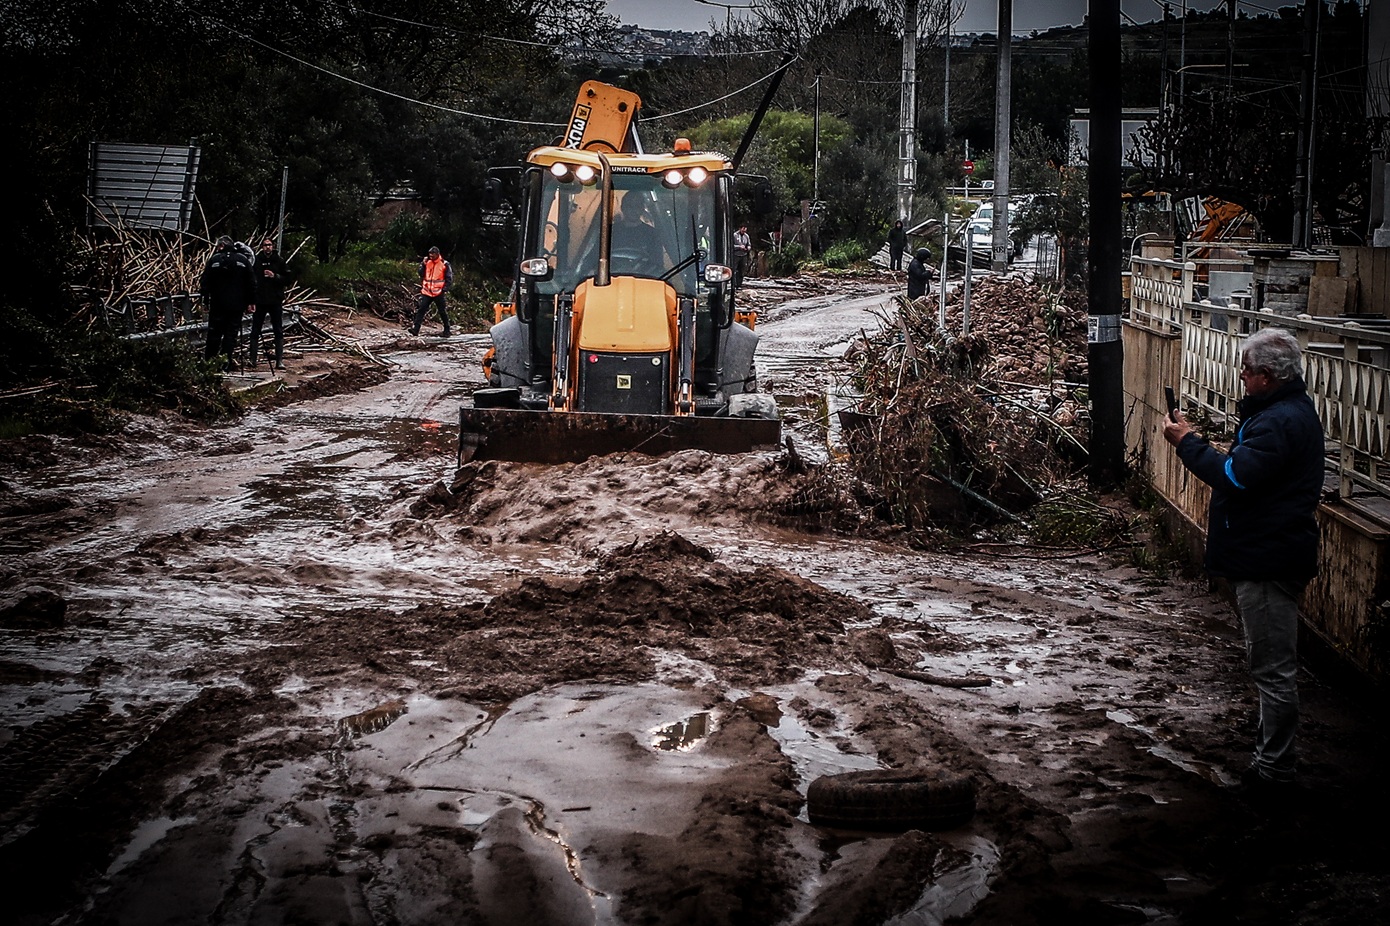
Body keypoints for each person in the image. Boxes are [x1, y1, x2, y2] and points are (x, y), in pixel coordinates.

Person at [1162, 327, 1324, 794]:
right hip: (1268, 551)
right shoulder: (1282, 413)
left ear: (1269, 377)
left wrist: (1187, 443)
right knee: (1268, 665)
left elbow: (1235, 476)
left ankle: (1274, 773)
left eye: (1248, 371)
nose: (1241, 377)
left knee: (1273, 670)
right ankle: (1271, 762)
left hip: (1268, 558)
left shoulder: (1277, 422)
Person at [200, 236, 256, 369]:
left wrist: (205, 301)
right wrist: (251, 302)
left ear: (221, 246)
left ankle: (209, 363)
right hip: (236, 305)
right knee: (230, 335)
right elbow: (251, 283)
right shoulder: (243, 260)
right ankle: (225, 363)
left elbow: (205, 283)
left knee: (214, 333)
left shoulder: (214, 260)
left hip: (217, 304)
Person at [250, 237, 290, 370]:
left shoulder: (279, 261)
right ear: (262, 247)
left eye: (269, 245)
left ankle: (279, 361)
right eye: (265, 245)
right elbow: (251, 280)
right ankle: (253, 359)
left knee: (278, 329)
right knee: (255, 329)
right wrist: (251, 300)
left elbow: (288, 279)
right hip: (260, 301)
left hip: (275, 300)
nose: (267, 247)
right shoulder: (256, 261)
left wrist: (275, 276)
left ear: (272, 246)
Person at [411, 246, 453, 337]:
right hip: (427, 291)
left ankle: (447, 329)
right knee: (421, 309)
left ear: (437, 254)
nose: (431, 255)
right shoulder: (427, 263)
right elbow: (421, 274)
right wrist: (423, 264)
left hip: (438, 292)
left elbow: (449, 278)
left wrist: (444, 289)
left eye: (433, 254)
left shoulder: (444, 264)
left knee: (442, 311)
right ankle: (416, 329)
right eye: (430, 254)